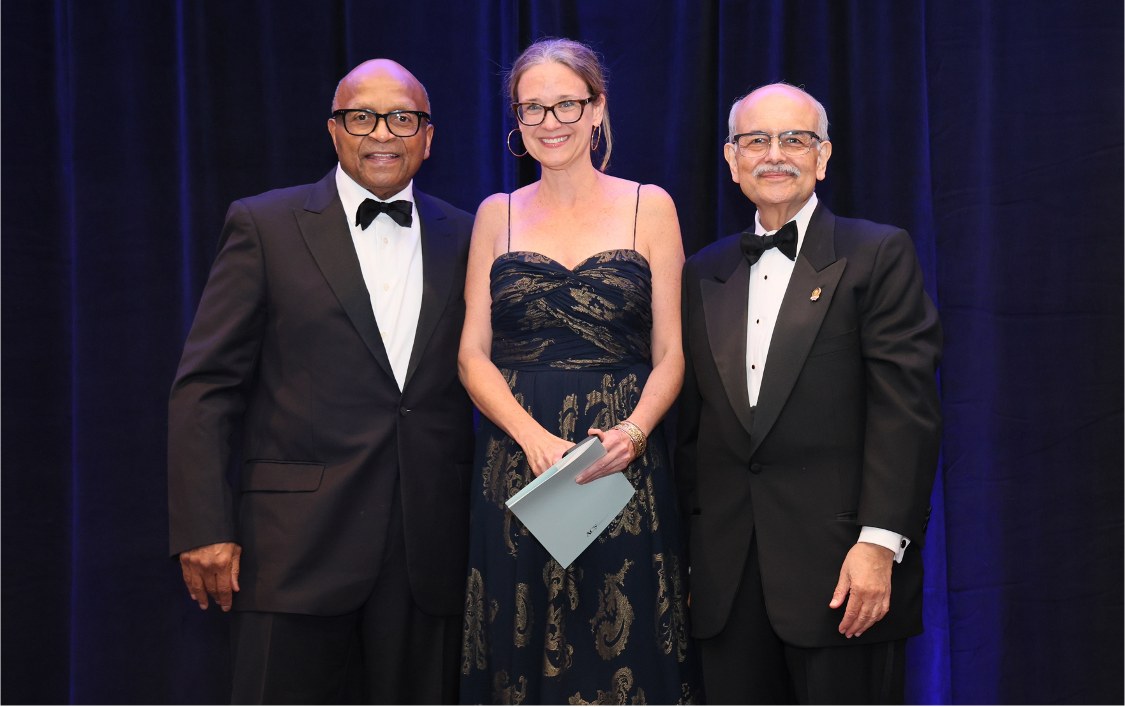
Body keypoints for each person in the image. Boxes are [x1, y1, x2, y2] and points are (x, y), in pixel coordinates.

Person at [168, 59, 475, 705]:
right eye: (361, 117)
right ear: (334, 131)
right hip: (292, 553)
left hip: (428, 554)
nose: (382, 133)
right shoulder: (264, 226)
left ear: (428, 137)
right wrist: (203, 524)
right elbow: (205, 387)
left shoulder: (470, 235)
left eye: (403, 118)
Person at [676, 83, 942, 706]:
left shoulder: (877, 252)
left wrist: (880, 545)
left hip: (844, 577)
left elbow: (905, 413)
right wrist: (693, 561)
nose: (775, 154)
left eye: (794, 139)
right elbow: (693, 433)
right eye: (756, 140)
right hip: (727, 585)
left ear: (823, 157)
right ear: (731, 158)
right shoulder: (701, 273)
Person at [457, 38, 701, 705]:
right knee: (519, 648)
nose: (549, 122)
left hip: (618, 460)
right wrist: (530, 438)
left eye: (566, 103)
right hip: (518, 461)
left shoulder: (648, 206)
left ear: (597, 110)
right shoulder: (494, 214)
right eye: (531, 108)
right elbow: (471, 354)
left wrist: (635, 433)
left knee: (624, 651)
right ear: (515, 119)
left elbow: (672, 352)